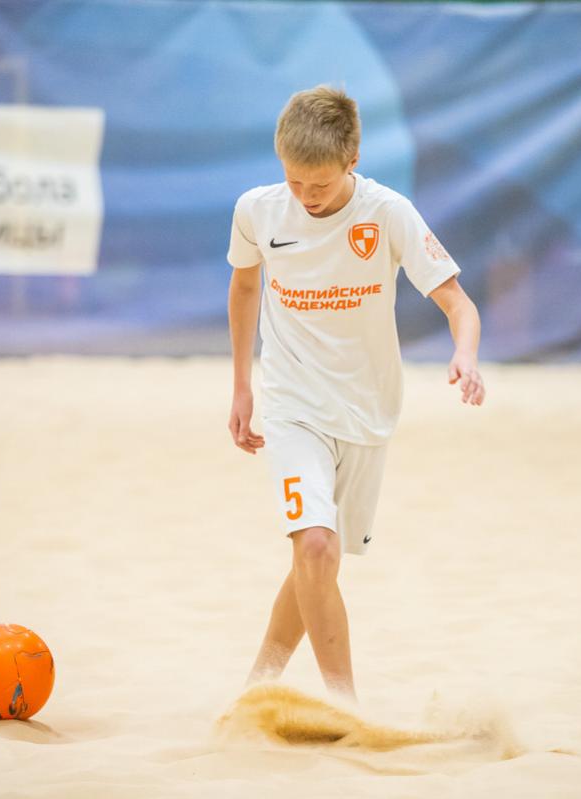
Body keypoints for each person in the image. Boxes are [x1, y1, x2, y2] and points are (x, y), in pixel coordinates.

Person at [226, 85, 484, 703]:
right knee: (315, 545)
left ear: (353, 159)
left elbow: (459, 303)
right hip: (292, 404)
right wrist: (241, 386)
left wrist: (465, 354)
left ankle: (256, 688)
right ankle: (346, 708)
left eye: (319, 183)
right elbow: (244, 288)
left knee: (318, 562)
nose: (305, 196)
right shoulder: (257, 210)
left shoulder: (388, 213)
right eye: (293, 181)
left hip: (368, 411)